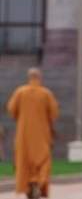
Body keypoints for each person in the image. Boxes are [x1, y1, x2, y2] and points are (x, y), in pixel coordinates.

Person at [6, 68, 58, 199]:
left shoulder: (20, 92)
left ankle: (29, 185)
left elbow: (11, 110)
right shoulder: (46, 93)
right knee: (43, 161)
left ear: (29, 77)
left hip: (24, 136)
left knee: (24, 161)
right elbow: (54, 113)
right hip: (42, 135)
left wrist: (22, 116)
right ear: (39, 78)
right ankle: (39, 183)